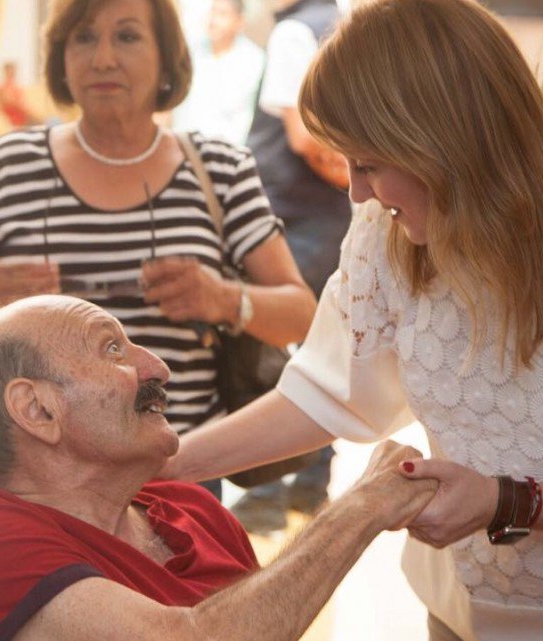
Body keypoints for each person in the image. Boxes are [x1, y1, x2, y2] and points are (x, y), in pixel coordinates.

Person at [163, 1, 543, 639]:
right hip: (465, 611)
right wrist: (170, 466)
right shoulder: (389, 236)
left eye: (368, 163)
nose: (355, 193)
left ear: (442, 142)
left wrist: (505, 499)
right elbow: (327, 390)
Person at [0, 0, 317, 495]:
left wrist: (222, 298)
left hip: (171, 476)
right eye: (83, 38)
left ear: (167, 57)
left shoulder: (220, 170)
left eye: (126, 37)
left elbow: (301, 316)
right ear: (60, 56)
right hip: (25, 481)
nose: (102, 58)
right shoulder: (9, 168)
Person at [0, 295, 436, 641]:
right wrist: (362, 507)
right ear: (37, 410)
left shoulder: (193, 510)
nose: (156, 368)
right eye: (112, 349)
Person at [229, 0, 350, 534]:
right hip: (332, 219)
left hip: (289, 215)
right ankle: (310, 487)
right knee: (325, 350)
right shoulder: (343, 22)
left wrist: (354, 176)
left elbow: (302, 137)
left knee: (274, 351)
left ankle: (268, 495)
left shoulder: (296, 32)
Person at [172, 0, 264, 145]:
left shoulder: (254, 60)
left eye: (222, 14)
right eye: (212, 12)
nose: (213, 20)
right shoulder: (190, 51)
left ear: (240, 21)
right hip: (183, 146)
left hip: (227, 153)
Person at [0, 60, 31, 129]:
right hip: (14, 116)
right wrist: (25, 109)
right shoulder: (2, 87)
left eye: (13, 71)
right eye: (10, 71)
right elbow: (9, 101)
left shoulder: (17, 86)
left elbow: (22, 101)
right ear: (5, 72)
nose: (12, 73)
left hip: (22, 114)